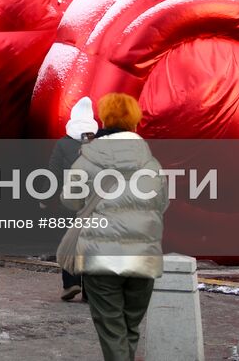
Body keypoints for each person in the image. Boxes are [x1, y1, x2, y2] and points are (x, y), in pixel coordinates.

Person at [61, 93, 167, 361]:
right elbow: (162, 204)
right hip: (143, 255)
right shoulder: (151, 164)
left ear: (104, 119)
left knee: (111, 327)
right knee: (130, 326)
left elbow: (70, 201)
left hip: (100, 255)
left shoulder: (86, 159)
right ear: (135, 123)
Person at [47, 96, 97, 302]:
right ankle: (90, 290)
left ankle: (71, 283)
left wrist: (45, 199)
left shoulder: (63, 144)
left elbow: (53, 173)